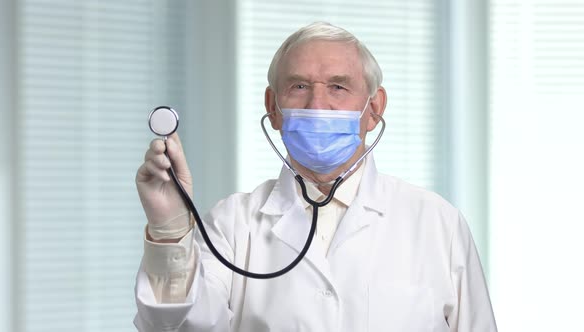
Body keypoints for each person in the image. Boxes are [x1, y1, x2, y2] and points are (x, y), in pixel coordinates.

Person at [134, 22, 497, 331]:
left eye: (338, 87)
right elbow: (178, 326)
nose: (318, 105)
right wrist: (170, 233)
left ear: (374, 109)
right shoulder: (233, 224)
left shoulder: (436, 222)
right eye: (299, 87)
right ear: (273, 108)